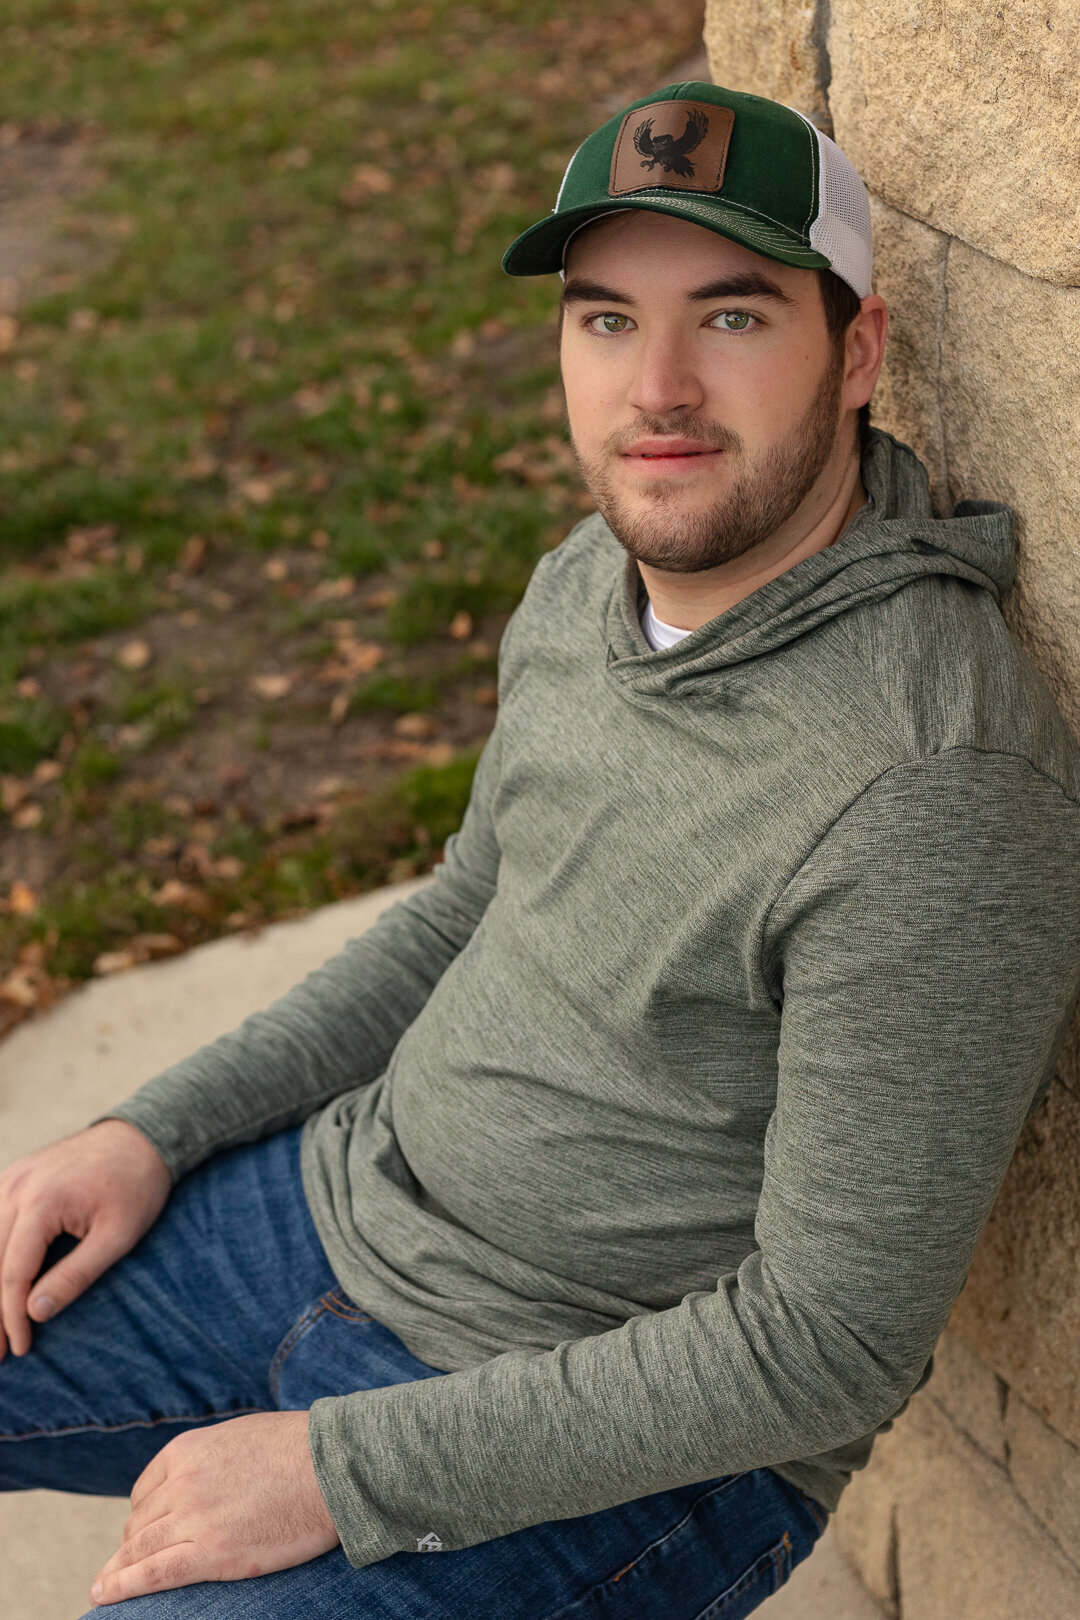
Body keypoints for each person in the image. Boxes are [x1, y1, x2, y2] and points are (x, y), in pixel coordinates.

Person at [1, 79, 1078, 1619]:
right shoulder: (593, 577)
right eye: (604, 320)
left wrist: (341, 1469)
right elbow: (461, 913)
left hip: (604, 1438)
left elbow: (824, 1344)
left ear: (861, 353)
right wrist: (150, 1135)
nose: (658, 392)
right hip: (329, 1213)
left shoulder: (933, 786)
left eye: (732, 318)